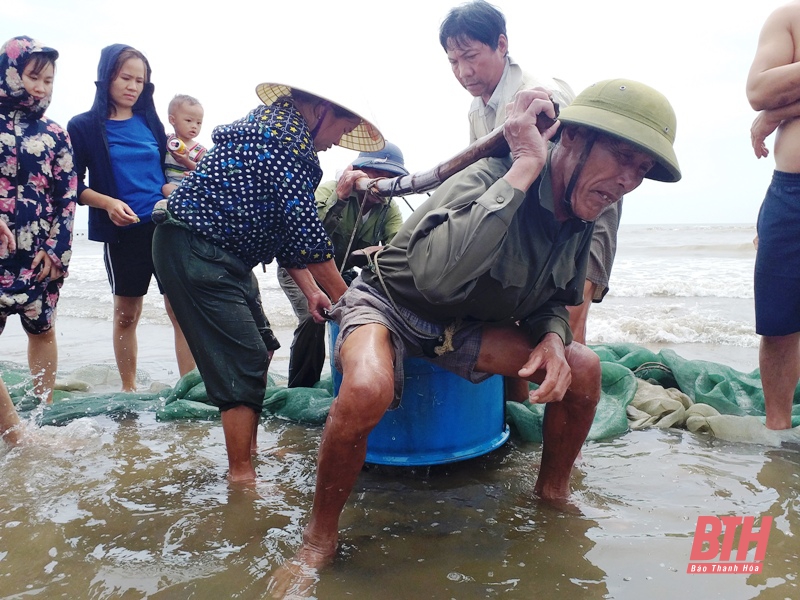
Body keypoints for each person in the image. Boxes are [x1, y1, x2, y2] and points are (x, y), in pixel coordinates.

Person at [269, 79, 681, 592]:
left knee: (584, 369)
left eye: (640, 170)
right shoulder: (489, 175)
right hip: (390, 304)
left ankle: (553, 493)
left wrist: (553, 337)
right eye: (621, 157)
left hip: (460, 327)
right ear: (570, 139)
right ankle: (318, 538)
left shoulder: (582, 214)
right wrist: (525, 168)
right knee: (367, 386)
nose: (627, 180)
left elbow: (553, 302)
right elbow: (438, 278)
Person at [152, 81, 384, 483]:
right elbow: (309, 236)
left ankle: (249, 450)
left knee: (260, 348)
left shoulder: (277, 127)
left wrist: (313, 291)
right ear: (321, 111)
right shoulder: (287, 139)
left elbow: (285, 233)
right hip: (195, 248)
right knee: (242, 357)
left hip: (223, 254)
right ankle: (241, 476)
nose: (337, 143)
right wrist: (355, 307)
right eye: (341, 131)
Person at [439, 0, 621, 350]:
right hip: (531, 214)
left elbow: (569, 168)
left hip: (585, 207)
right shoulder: (477, 108)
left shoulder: (540, 93)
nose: (463, 72)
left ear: (502, 45)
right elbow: (482, 177)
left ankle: (567, 389)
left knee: (569, 311)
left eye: (471, 56)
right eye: (453, 62)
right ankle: (521, 401)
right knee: (516, 311)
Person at [67, 44, 195, 391]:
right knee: (127, 314)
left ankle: (189, 386)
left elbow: (168, 169)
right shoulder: (83, 127)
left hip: (166, 228)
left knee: (180, 312)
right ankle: (129, 387)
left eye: (140, 80)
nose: (133, 86)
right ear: (107, 76)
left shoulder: (150, 122)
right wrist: (108, 203)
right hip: (123, 232)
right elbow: (72, 185)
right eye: (126, 77)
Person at [277, 142, 407, 388]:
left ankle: (358, 378)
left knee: (370, 310)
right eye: (378, 175)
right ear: (358, 170)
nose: (382, 183)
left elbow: (398, 250)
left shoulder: (390, 210)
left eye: (391, 178)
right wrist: (340, 199)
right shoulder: (327, 190)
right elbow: (308, 238)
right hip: (300, 267)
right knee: (312, 318)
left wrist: (377, 253)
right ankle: (301, 386)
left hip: (339, 271)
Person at [0, 35, 76, 424]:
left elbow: (67, 197)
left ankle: (40, 411)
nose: (40, 87)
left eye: (48, 80)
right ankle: (12, 429)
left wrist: (57, 250)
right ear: (11, 71)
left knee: (42, 331)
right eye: (33, 76)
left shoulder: (54, 133)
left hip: (38, 256)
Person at [746, 0, 800, 431]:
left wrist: (781, 111)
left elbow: (773, 98)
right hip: (790, 191)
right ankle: (777, 432)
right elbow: (759, 91)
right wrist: (775, 109)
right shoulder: (789, 17)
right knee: (779, 322)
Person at [163, 94, 207, 194]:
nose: (194, 126)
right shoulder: (168, 140)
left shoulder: (199, 150)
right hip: (172, 183)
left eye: (199, 123)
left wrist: (186, 161)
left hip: (190, 184)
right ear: (172, 120)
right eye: (189, 120)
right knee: (166, 188)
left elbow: (204, 169)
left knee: (166, 189)